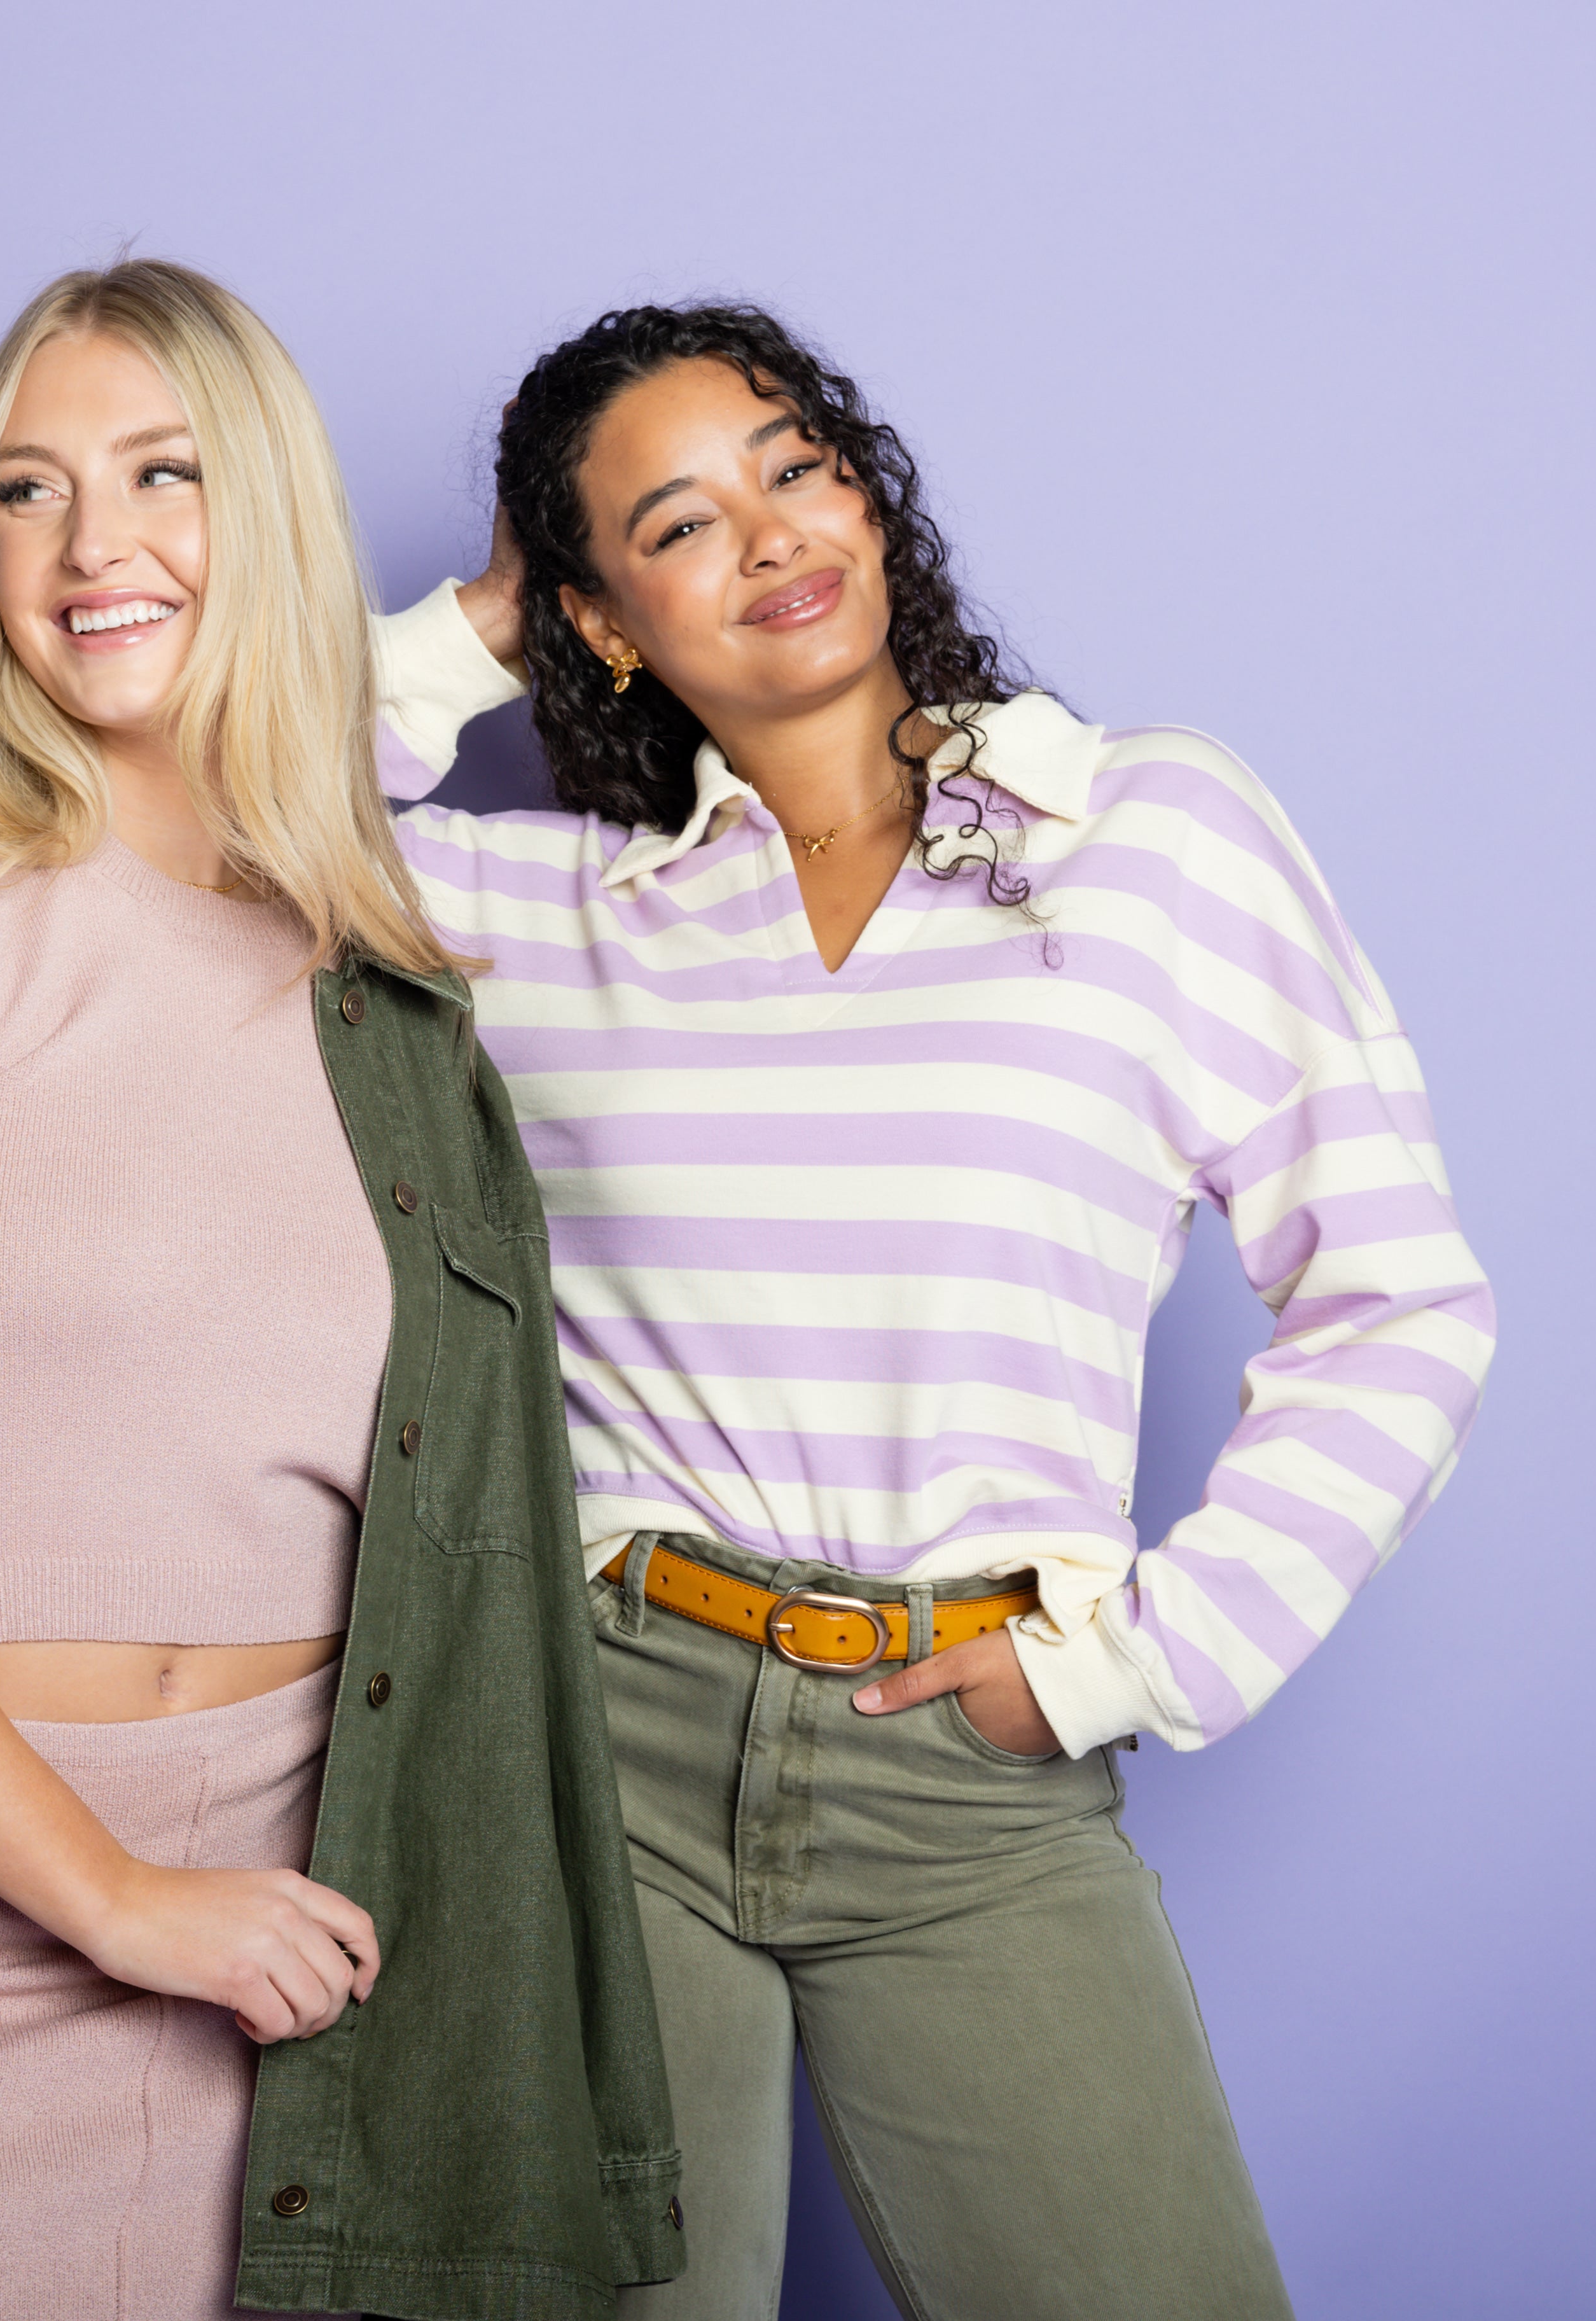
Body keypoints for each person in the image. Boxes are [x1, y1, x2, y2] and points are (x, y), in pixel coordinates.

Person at [363, 303, 1497, 2318]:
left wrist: (1129, 1663)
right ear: (602, 621)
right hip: (600, 1746)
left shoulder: (1140, 832)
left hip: (973, 1757)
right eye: (680, 522)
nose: (779, 534)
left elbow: (1403, 1302)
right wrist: (481, 616)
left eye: (798, 464)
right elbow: (191, 815)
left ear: (870, 491)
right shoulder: (547, 915)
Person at [0, 260, 681, 2321]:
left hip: (301, 1933)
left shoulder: (371, 961)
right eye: (29, 490)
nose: (93, 545)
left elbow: (308, 728)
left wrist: (515, 606)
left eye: (163, 474)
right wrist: (116, 1899)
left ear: (276, 516)